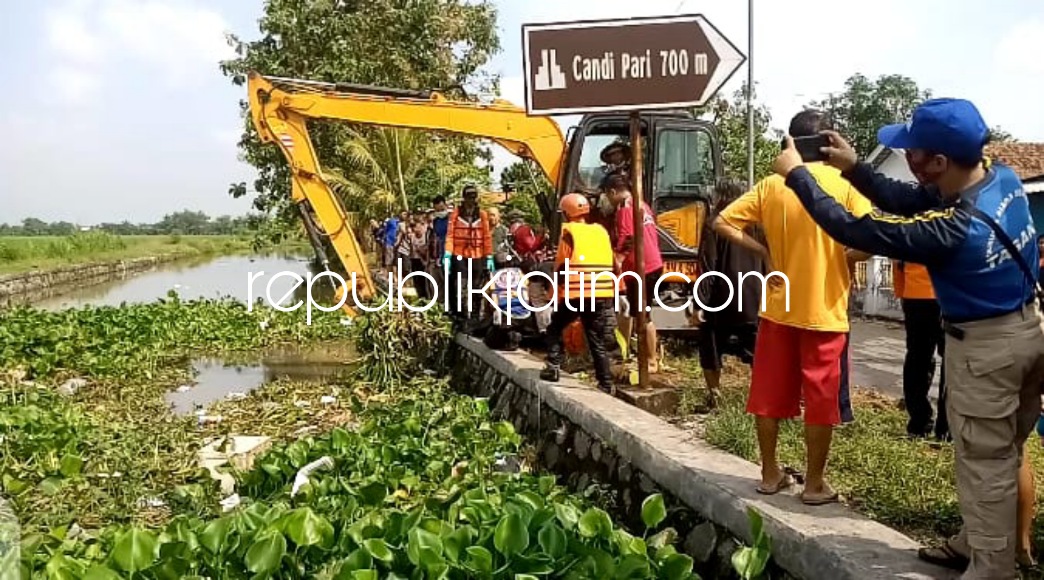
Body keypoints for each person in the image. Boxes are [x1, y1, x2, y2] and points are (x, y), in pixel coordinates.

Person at [771, 97, 1044, 578]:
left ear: (938, 162)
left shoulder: (954, 230)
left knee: (985, 461)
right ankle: (974, 539)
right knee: (1003, 449)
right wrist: (856, 168)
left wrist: (798, 175)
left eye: (914, 152)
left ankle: (992, 567)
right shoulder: (998, 178)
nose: (908, 158)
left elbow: (851, 227)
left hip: (987, 351)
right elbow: (907, 197)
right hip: (1026, 331)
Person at [712, 109, 874, 505]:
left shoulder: (773, 184)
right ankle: (815, 484)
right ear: (827, 144)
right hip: (825, 312)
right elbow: (873, 239)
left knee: (768, 392)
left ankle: (769, 473)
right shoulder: (846, 185)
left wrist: (764, 251)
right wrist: (842, 257)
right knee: (821, 400)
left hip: (777, 307)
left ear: (792, 143)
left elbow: (722, 221)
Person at [694, 178, 767, 408]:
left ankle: (715, 397)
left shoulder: (716, 223)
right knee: (759, 354)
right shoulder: (759, 223)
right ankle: (761, 402)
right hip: (755, 299)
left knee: (710, 347)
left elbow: (709, 265)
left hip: (722, 300)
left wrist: (699, 303)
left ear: (720, 197)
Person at [539, 193, 617, 394]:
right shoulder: (601, 232)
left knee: (554, 328)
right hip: (600, 294)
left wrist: (555, 293)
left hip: (577, 294)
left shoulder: (569, 233)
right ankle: (606, 383)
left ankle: (554, 366)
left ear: (566, 213)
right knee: (596, 340)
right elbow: (613, 262)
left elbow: (562, 266)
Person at [604, 172, 664, 374]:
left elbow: (627, 237)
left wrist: (617, 260)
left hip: (641, 268)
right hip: (652, 264)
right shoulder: (642, 204)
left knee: (643, 315)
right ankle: (624, 352)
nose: (609, 201)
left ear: (613, 192)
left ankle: (651, 361)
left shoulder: (625, 208)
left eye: (608, 196)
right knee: (631, 311)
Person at [892, 260, 949, 440]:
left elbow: (898, 250)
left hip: (916, 293)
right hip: (950, 294)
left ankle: (919, 425)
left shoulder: (908, 228)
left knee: (918, 359)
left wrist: (901, 290)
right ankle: (946, 430)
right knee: (952, 362)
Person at [443, 185, 493, 327]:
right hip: (460, 254)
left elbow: (486, 237)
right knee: (461, 285)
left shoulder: (482, 214)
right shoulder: (456, 214)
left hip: (477, 254)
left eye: (473, 197)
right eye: (468, 197)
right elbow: (450, 235)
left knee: (477, 286)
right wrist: (447, 253)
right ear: (464, 198)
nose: (471, 200)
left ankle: (475, 316)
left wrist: (489, 256)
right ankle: (462, 315)